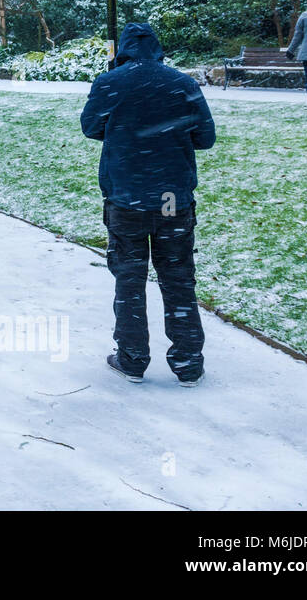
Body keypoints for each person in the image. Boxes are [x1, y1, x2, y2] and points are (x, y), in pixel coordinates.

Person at [81, 23, 216, 387]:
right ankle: (188, 363)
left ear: (124, 49)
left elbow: (90, 127)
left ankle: (132, 358)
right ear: (157, 48)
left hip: (127, 197)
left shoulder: (110, 83)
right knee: (177, 279)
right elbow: (206, 137)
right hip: (173, 198)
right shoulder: (182, 83)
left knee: (129, 277)